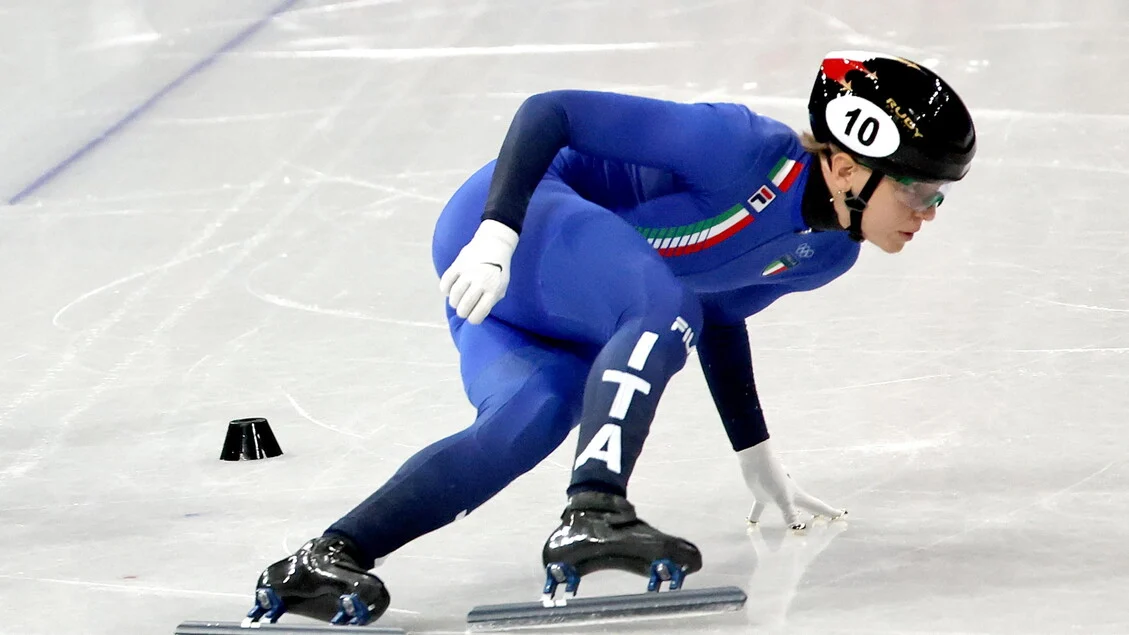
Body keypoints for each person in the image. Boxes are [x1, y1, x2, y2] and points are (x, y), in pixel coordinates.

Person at [246, 50, 977, 626]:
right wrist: (497, 233)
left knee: (532, 416)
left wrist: (755, 455)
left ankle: (326, 556)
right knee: (665, 302)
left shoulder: (827, 253)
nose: (928, 211)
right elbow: (551, 111)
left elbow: (719, 315)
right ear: (845, 165)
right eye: (916, 189)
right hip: (507, 228)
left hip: (564, 297)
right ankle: (594, 510)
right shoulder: (737, 147)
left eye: (938, 194)